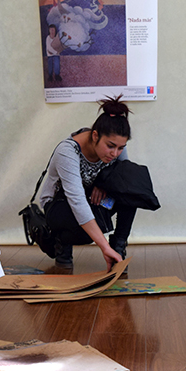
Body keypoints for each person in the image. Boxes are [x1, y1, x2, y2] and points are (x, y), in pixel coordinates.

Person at [38, 96, 137, 270]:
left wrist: (102, 183)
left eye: (121, 148)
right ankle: (60, 241)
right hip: (60, 204)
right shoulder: (67, 151)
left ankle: (118, 247)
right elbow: (76, 201)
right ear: (95, 135)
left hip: (91, 199)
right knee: (90, 232)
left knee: (132, 191)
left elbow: (124, 177)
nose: (115, 153)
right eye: (110, 146)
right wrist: (103, 247)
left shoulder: (115, 145)